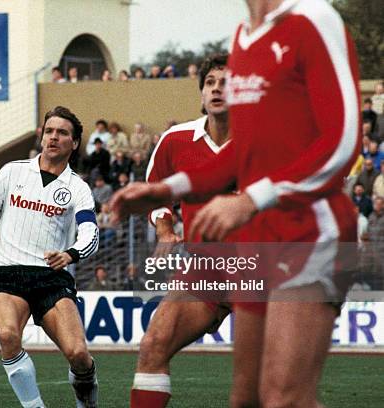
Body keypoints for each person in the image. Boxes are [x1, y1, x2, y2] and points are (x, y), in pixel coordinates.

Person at [111, 1, 361, 406]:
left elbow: (342, 141)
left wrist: (252, 199)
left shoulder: (313, 19)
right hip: (245, 252)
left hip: (308, 234)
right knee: (245, 398)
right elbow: (245, 148)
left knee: (284, 397)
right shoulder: (244, 38)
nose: (217, 88)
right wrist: (169, 188)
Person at [0, 106, 99, 408]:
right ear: (41, 135)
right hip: (8, 275)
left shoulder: (78, 189)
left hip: (52, 278)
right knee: (8, 336)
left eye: (62, 133)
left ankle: (87, 402)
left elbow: (90, 235)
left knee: (78, 355)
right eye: (49, 131)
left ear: (74, 143)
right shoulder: (12, 171)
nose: (53, 137)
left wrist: (70, 253)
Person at [130, 54, 236, 407]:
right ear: (202, 93)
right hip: (205, 267)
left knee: (273, 382)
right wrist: (165, 228)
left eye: (227, 82)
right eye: (210, 83)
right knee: (152, 346)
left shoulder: (267, 142)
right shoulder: (176, 140)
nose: (217, 88)